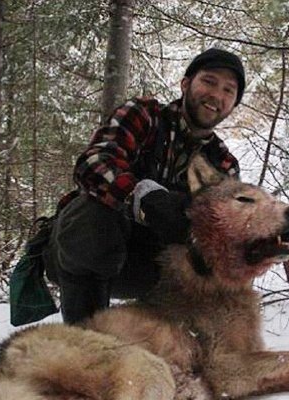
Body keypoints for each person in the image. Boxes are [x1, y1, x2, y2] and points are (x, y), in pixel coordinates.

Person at [47, 48, 246, 324]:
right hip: (83, 251)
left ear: (234, 105)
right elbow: (93, 164)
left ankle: (179, 349)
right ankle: (85, 341)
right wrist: (142, 197)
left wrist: (269, 238)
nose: (217, 95)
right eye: (209, 81)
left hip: (155, 269)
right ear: (186, 84)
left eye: (228, 90)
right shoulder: (144, 115)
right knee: (90, 212)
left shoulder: (223, 164)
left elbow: (226, 227)